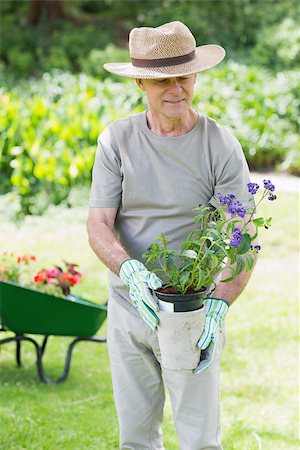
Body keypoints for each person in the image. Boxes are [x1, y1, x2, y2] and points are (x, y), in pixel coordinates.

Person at [87, 21, 255, 450]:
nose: (175, 88)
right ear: (141, 80)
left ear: (196, 74)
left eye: (183, 75)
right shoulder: (116, 141)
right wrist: (128, 269)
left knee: (200, 441)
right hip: (130, 306)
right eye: (163, 79)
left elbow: (243, 232)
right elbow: (99, 223)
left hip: (191, 312)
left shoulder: (219, 144)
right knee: (136, 440)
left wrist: (221, 298)